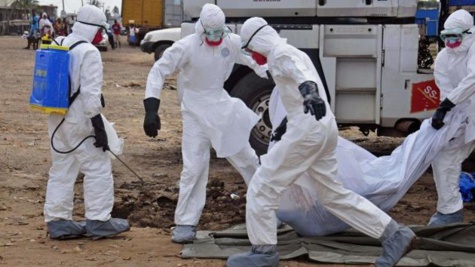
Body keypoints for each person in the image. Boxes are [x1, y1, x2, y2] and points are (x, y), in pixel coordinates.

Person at [226, 17, 418, 267]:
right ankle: (395, 235)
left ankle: (263, 253)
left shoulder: (282, 54)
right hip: (322, 128)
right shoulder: (291, 52)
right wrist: (289, 118)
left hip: (306, 132)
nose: (253, 55)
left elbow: (302, 76)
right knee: (332, 195)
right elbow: (296, 85)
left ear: (259, 41)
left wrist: (310, 93)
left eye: (251, 49)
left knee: (263, 185)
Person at [143, 4, 267, 244]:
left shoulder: (229, 42)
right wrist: (151, 108)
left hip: (221, 107)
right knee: (194, 167)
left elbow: (254, 60)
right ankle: (185, 223)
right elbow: (158, 71)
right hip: (194, 111)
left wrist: (272, 71)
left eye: (218, 33)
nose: (214, 38)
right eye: (210, 34)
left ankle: (268, 208)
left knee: (248, 158)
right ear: (201, 29)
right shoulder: (186, 46)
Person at [44, 5, 130, 240]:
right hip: (79, 119)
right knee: (98, 166)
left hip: (56, 117)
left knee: (62, 167)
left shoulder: (60, 41)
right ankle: (99, 220)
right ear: (94, 28)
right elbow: (91, 96)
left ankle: (58, 221)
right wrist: (99, 128)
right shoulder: (90, 52)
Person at [428, 9, 475, 226]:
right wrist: (445, 116)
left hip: (467, 108)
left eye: (456, 36)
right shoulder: (443, 58)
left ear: (468, 33)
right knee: (444, 156)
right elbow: (448, 92)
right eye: (447, 36)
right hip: (465, 114)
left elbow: (472, 80)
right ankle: (449, 212)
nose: (451, 41)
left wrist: (447, 105)